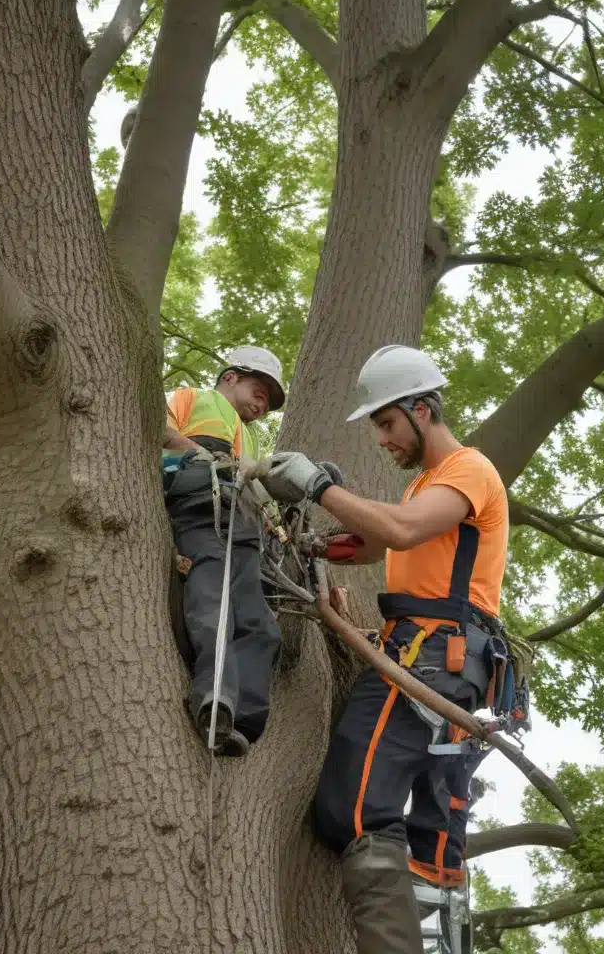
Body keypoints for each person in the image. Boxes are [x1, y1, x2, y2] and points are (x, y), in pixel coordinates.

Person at [260, 345, 510, 954]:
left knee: (353, 810)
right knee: (426, 844)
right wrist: (319, 545)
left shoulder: (467, 470)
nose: (381, 439)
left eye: (386, 423)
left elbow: (398, 531)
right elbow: (379, 545)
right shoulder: (429, 485)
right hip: (436, 657)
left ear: (423, 410)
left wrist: (317, 486)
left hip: (428, 658)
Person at [162, 345, 285, 758]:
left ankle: (246, 722)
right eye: (259, 391)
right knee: (212, 602)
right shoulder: (191, 398)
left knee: (259, 622)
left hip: (244, 527)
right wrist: (204, 456)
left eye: (269, 401)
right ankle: (216, 702)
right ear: (230, 377)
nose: (262, 405)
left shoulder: (250, 437)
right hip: (200, 510)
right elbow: (157, 429)